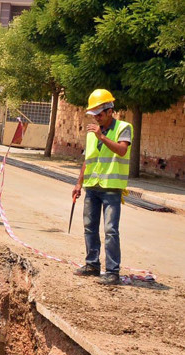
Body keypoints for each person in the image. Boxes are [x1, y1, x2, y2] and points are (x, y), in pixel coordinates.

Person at [72, 89, 132, 286]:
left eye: (99, 114)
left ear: (110, 110)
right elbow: (88, 160)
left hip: (111, 188)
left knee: (111, 230)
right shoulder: (92, 133)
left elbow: (122, 150)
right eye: (93, 115)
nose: (96, 118)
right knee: (90, 226)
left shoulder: (124, 127)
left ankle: (113, 272)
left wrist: (102, 138)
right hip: (92, 187)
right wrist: (79, 183)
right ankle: (92, 265)